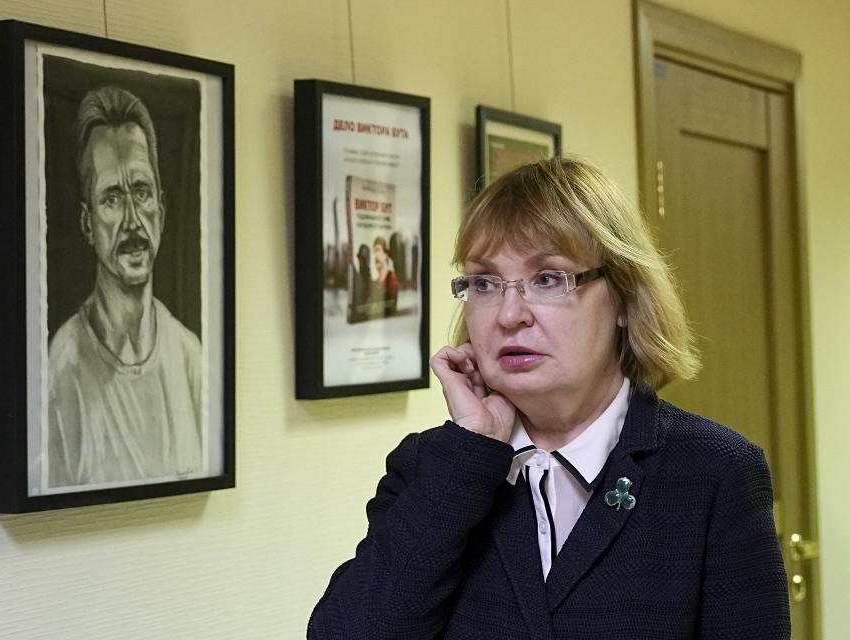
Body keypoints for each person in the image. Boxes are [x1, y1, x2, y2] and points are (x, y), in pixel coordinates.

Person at [308, 157, 789, 638]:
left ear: (623, 297)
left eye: (548, 279)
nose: (510, 314)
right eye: (484, 283)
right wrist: (473, 453)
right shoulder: (431, 467)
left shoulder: (715, 472)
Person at [46, 86, 203, 489]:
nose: (133, 220)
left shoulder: (190, 359)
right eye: (112, 198)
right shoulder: (61, 371)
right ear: (87, 223)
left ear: (161, 211)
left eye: (141, 191)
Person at [372, 235, 399, 316]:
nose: (376, 254)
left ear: (385, 254)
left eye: (378, 250)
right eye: (374, 251)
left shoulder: (391, 281)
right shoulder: (376, 282)